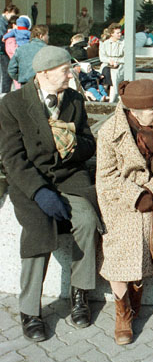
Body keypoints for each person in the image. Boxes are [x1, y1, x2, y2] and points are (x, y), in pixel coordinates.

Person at [0, 46, 103, 342]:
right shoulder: (13, 104)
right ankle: (30, 310)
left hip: (70, 179)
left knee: (86, 220)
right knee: (38, 228)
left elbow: (88, 143)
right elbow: (12, 159)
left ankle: (80, 295)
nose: (71, 74)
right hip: (33, 184)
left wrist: (73, 144)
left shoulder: (73, 99)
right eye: (65, 70)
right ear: (44, 74)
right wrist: (41, 191)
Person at [96, 79, 153, 344]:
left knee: (145, 235)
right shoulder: (110, 131)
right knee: (121, 245)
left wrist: (150, 191)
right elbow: (106, 177)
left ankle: (136, 296)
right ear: (135, 110)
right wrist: (136, 196)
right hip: (119, 200)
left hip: (152, 195)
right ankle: (123, 311)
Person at [99, 23, 124, 102]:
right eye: (117, 33)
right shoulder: (105, 43)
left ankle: (111, 99)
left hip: (120, 65)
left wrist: (117, 61)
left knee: (114, 77)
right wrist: (109, 61)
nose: (120, 34)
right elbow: (102, 57)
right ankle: (103, 96)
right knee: (104, 72)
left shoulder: (124, 42)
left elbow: (126, 57)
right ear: (111, 34)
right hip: (107, 64)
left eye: (120, 32)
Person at [0, 3, 19, 93]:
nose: (13, 18)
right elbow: (2, 38)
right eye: (13, 15)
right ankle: (5, 95)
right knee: (7, 74)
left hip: (4, 51)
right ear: (7, 12)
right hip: (2, 52)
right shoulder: (1, 22)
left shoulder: (5, 22)